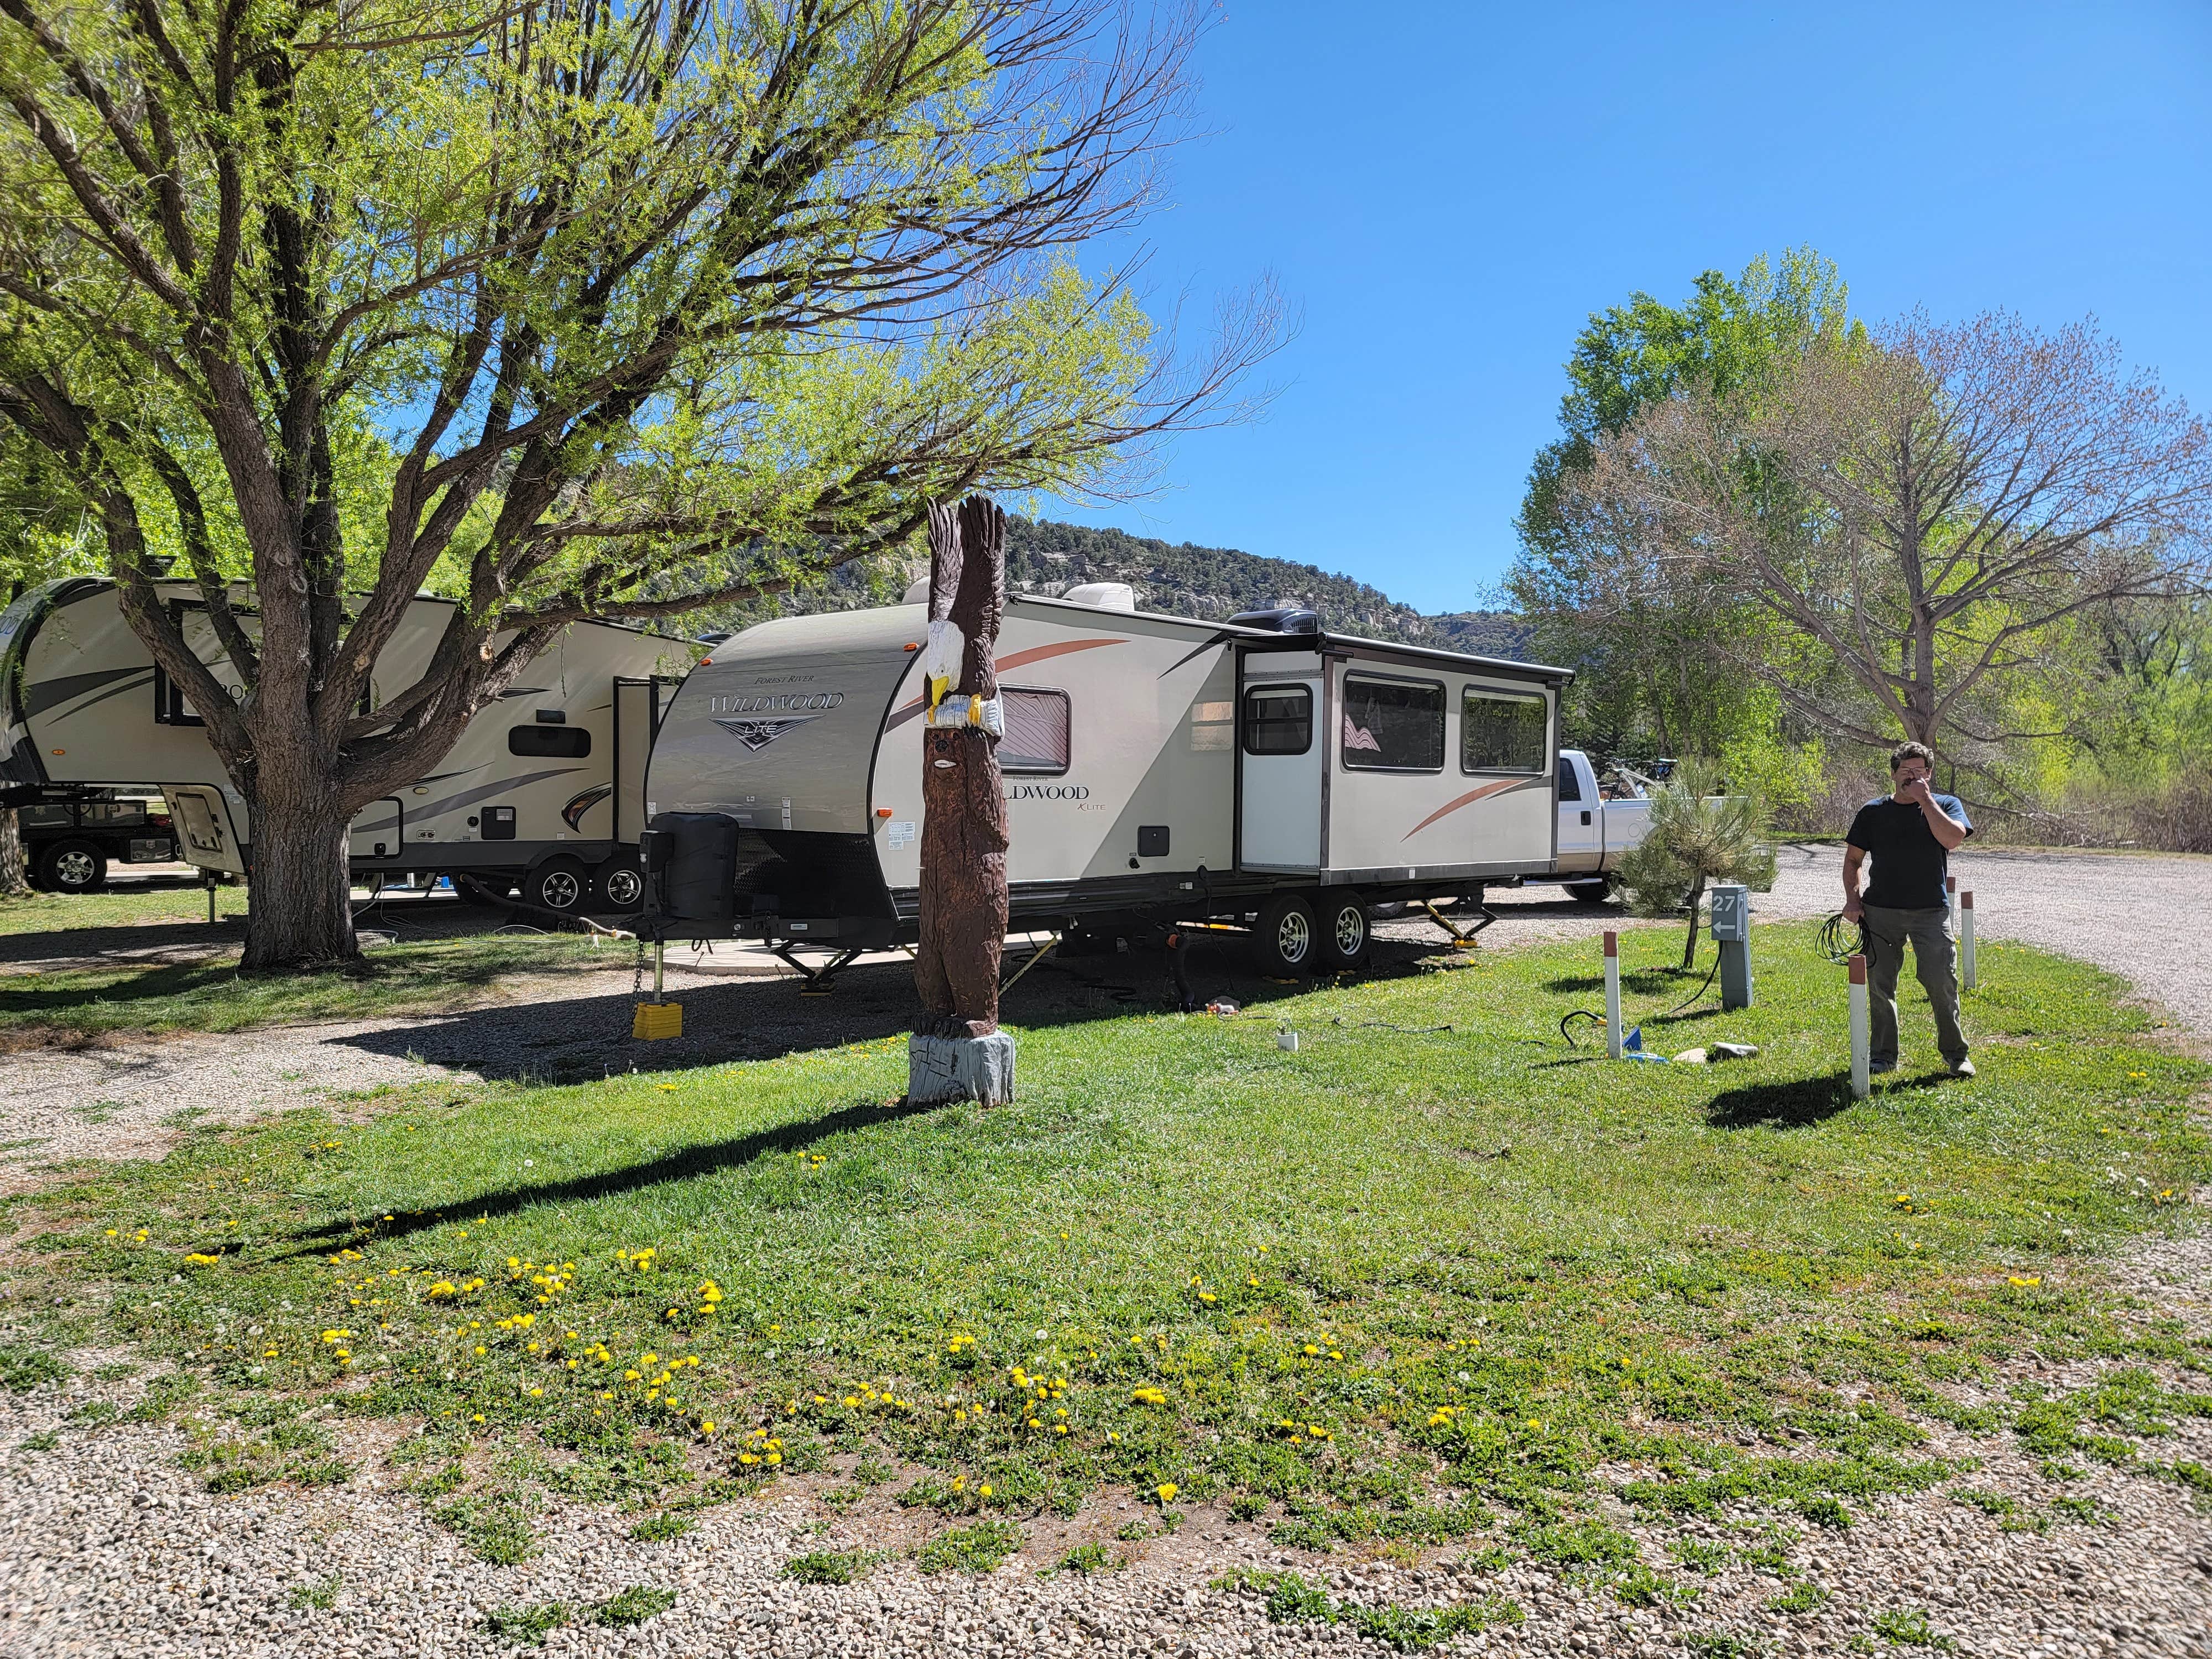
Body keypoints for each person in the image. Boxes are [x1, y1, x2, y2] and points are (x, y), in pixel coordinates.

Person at [1842, 742, 1975, 1077]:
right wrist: (1853, 899)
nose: (1912, 777)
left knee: (1942, 980)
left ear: (1930, 774)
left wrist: (1925, 799)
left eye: (1919, 772)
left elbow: (1953, 839)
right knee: (1880, 985)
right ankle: (1883, 1056)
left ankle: (1956, 1056)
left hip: (1930, 912)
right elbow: (1854, 860)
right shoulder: (1873, 812)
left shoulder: (1945, 804)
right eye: (1906, 772)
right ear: (1893, 774)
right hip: (1881, 912)